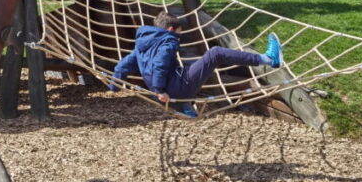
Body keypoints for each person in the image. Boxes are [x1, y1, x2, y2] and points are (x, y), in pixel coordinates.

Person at [109, 11, 283, 117]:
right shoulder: (167, 41)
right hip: (173, 90)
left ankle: (182, 106)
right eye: (178, 33)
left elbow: (123, 65)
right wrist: (159, 89)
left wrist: (114, 83)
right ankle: (268, 59)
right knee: (216, 53)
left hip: (170, 91)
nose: (179, 37)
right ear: (170, 29)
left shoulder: (142, 44)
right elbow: (160, 65)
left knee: (185, 69)